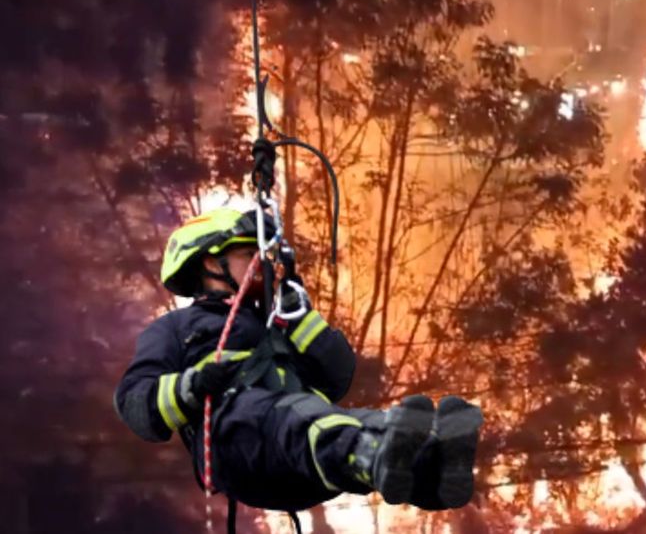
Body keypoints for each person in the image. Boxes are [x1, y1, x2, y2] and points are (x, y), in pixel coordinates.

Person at [113, 207, 483, 517]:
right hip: (238, 448)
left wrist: (303, 321)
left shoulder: (274, 323)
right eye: (250, 255)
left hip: (299, 459)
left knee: (356, 420)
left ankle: (435, 471)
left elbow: (337, 378)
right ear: (212, 262)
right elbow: (134, 403)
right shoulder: (176, 328)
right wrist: (190, 386)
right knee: (297, 417)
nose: (263, 267)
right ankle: (370, 453)